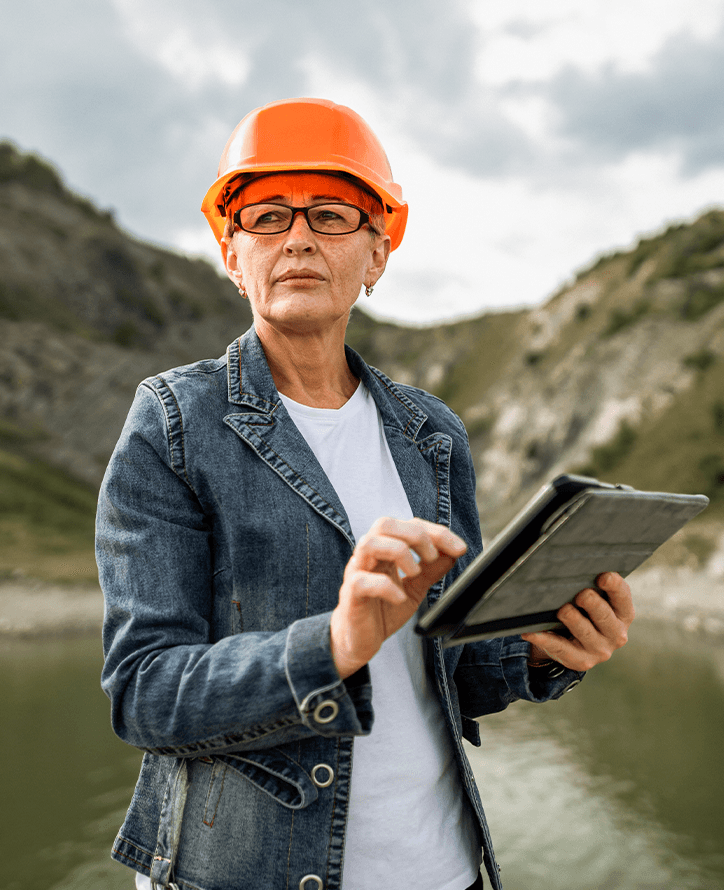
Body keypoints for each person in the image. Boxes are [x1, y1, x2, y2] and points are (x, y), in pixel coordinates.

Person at [97, 97, 635, 890]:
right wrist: (335, 645)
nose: (300, 237)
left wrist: (543, 650)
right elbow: (145, 693)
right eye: (268, 216)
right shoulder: (176, 422)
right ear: (229, 251)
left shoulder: (431, 432)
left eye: (333, 215)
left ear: (378, 253)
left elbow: (455, 671)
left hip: (443, 866)